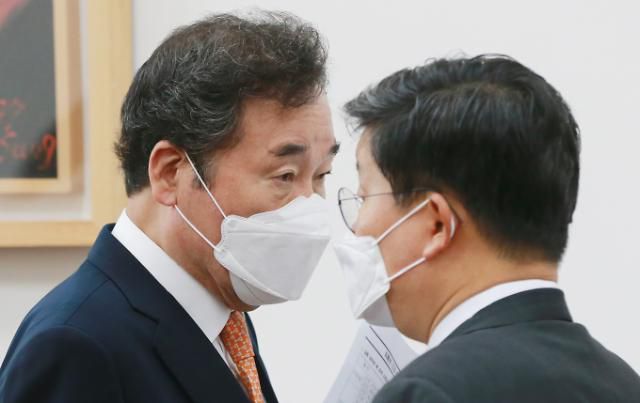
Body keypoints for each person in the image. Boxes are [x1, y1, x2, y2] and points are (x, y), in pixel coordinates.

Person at [0, 11, 338, 403]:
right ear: (170, 172)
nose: (307, 207)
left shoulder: (222, 314)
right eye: (285, 175)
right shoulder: (75, 346)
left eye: (321, 175)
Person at [333, 55, 640, 402]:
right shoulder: (624, 384)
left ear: (437, 224)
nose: (357, 227)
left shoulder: (427, 391)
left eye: (364, 196)